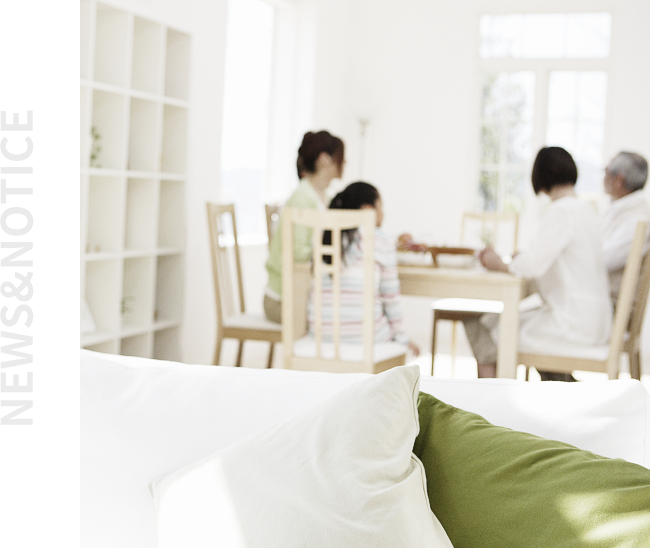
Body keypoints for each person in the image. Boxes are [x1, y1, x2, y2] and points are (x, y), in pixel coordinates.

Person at [465, 146, 612, 381]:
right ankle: (562, 388)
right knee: (504, 323)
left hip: (572, 323)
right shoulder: (586, 210)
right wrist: (523, 259)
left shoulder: (561, 210)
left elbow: (531, 266)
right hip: (594, 320)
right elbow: (550, 260)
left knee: (487, 326)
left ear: (540, 178)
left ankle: (495, 399)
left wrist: (499, 263)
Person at [307, 182, 420, 356]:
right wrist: (403, 338)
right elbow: (391, 299)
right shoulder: (382, 240)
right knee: (388, 330)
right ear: (368, 210)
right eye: (381, 207)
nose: (383, 213)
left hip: (321, 335)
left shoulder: (325, 236)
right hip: (368, 338)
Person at [263, 130, 345, 323]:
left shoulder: (326, 198)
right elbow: (298, 253)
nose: (344, 162)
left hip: (303, 296)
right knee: (339, 322)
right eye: (340, 157)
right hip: (283, 300)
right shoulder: (302, 197)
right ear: (324, 159)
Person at [599, 151, 650, 303]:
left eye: (606, 171)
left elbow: (602, 260)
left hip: (607, 303)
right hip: (595, 296)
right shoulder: (615, 208)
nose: (603, 177)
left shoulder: (638, 218)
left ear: (619, 180)